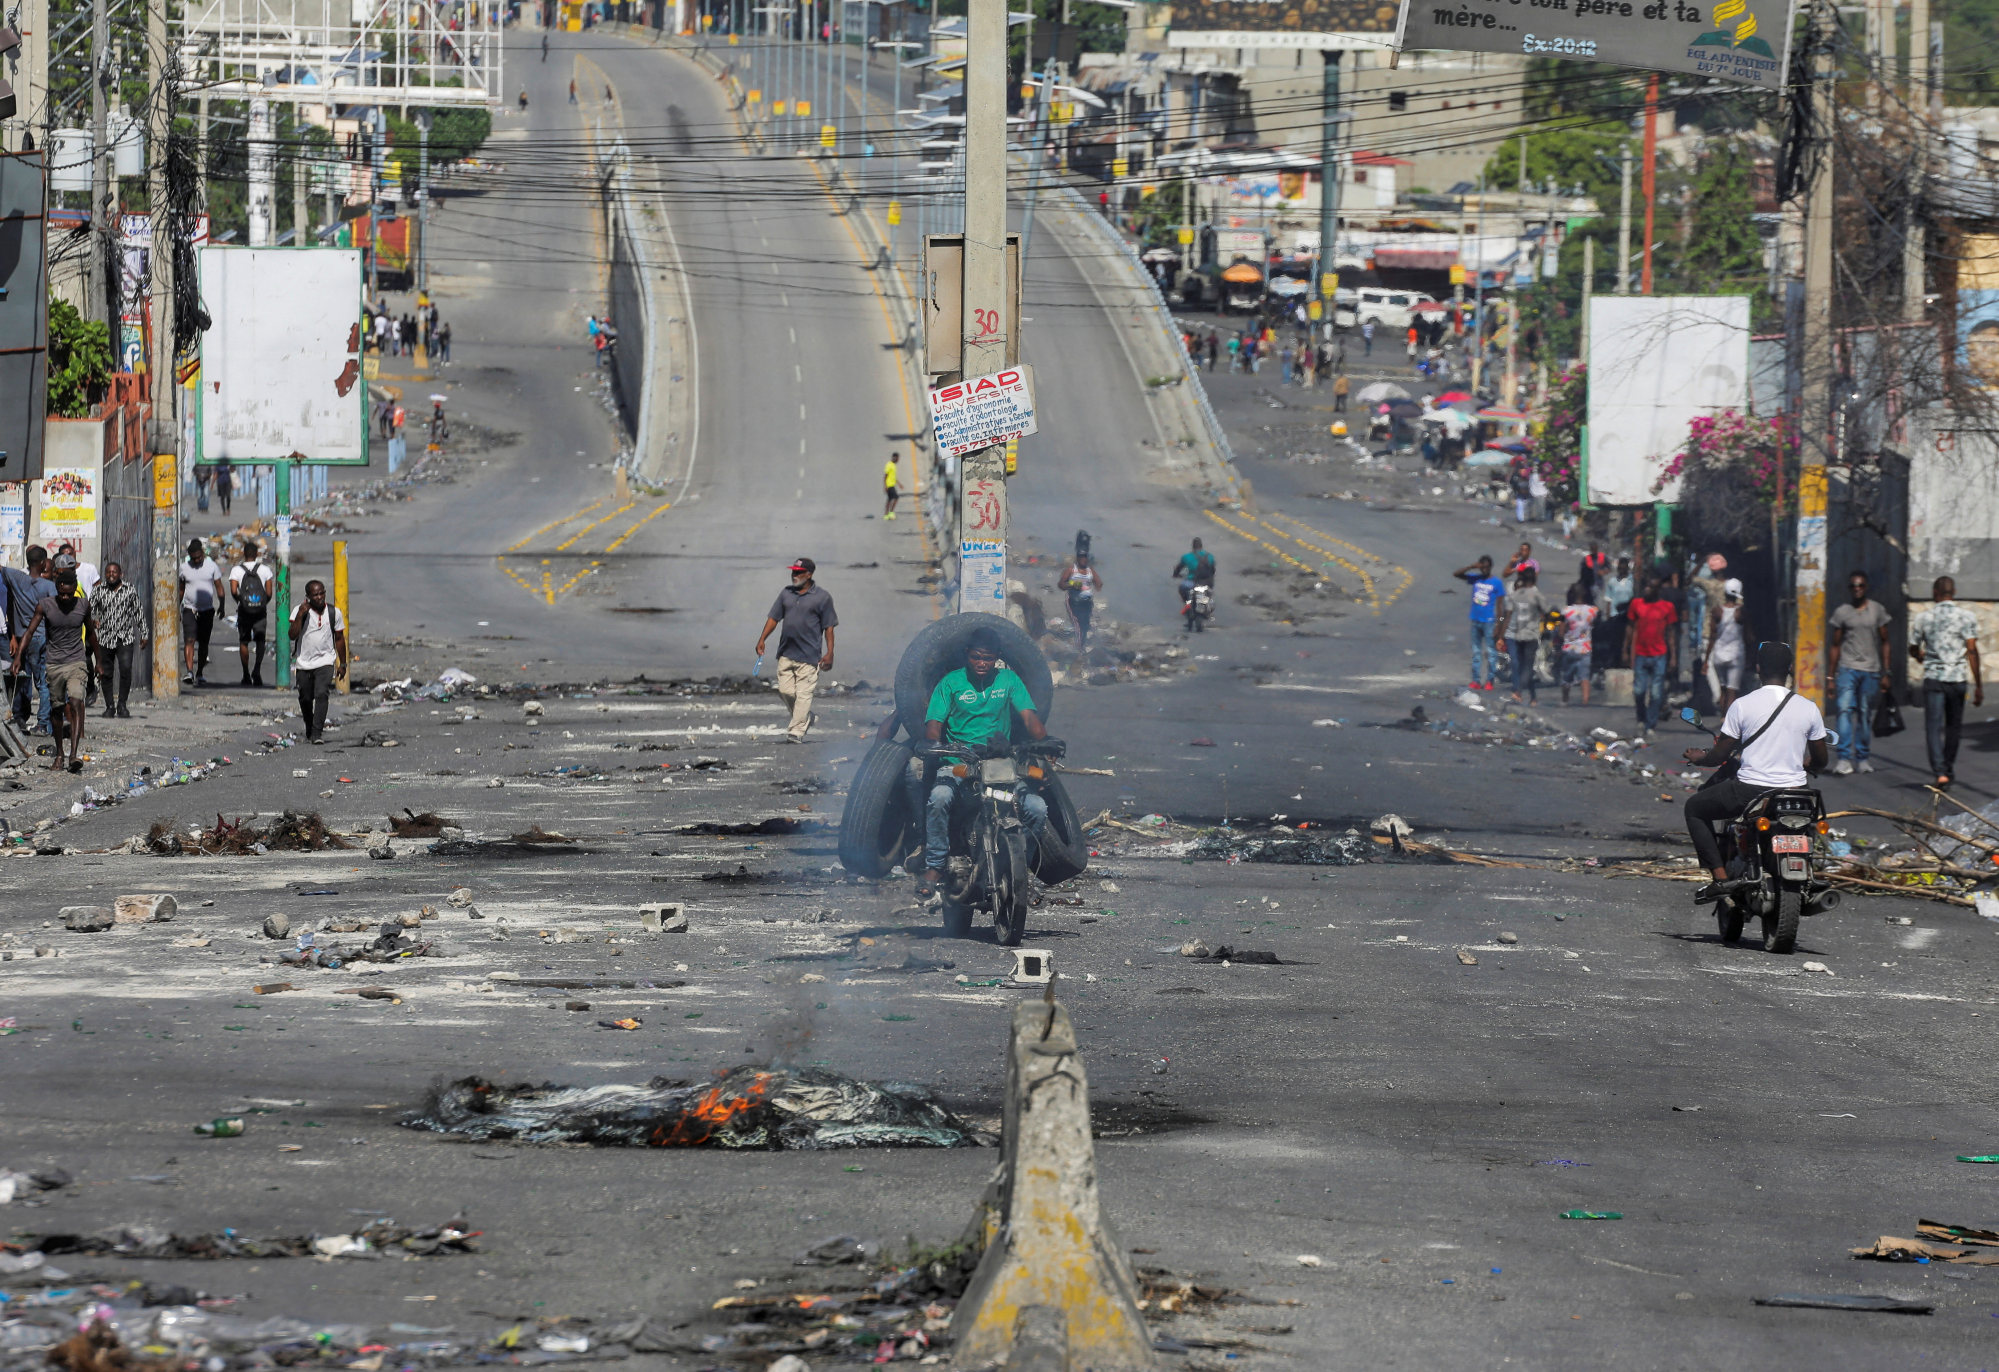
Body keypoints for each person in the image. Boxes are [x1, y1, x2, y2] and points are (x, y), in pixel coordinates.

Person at [1681, 640, 1831, 903]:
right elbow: (1820, 759)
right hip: (1795, 793)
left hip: (1750, 792)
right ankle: (1807, 871)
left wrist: (1700, 757)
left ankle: (1720, 879)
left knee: (1694, 808)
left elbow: (1721, 754)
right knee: (1805, 824)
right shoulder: (1808, 708)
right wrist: (1806, 765)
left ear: (1759, 669)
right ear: (1790, 670)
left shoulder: (1742, 705)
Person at [916, 627, 1054, 900]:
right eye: (977, 657)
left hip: (1000, 764)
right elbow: (934, 726)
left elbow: (1029, 718)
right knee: (940, 797)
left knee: (1036, 808)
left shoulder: (1009, 681)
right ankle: (935, 865)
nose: (982, 663)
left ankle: (1019, 869)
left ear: (997, 659)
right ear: (967, 655)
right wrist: (935, 744)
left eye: (988, 659)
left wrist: (1044, 741)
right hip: (959, 764)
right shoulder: (950, 683)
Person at [10, 568, 97, 772]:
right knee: (57, 710)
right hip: (54, 663)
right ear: (57, 589)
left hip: (76, 661)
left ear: (75, 589)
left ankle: (73, 755)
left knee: (75, 701)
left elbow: (91, 632)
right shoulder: (46, 605)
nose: (65, 597)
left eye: (69, 593)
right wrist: (18, 657)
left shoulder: (83, 605)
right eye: (62, 593)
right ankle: (59, 753)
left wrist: (99, 661)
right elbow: (30, 631)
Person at [1909, 575, 1983, 789]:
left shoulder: (1924, 618)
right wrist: (1978, 685)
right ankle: (1948, 768)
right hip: (1957, 678)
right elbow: (1971, 649)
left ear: (1935, 593)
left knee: (1933, 727)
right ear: (1954, 592)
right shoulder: (1966, 616)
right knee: (1953, 727)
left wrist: (1920, 656)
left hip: (1934, 678)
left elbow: (1913, 646)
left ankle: (1940, 772)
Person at [755, 557, 837, 743]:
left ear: (809, 574)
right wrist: (762, 639)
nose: (794, 575)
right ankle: (805, 717)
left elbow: (829, 627)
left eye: (798, 572)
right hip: (786, 653)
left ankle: (796, 731)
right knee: (786, 692)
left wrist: (830, 652)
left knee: (803, 695)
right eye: (793, 572)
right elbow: (773, 618)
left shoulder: (822, 597)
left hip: (809, 656)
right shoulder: (786, 594)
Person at [1827, 571, 1892, 776]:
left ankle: (1862, 758)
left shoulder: (1877, 610)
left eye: (1860, 585)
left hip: (1870, 670)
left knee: (1864, 714)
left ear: (1866, 587)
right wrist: (1830, 676)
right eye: (1853, 586)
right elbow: (1835, 645)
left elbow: (1885, 642)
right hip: (1847, 668)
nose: (1857, 589)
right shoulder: (1842, 612)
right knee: (1844, 710)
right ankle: (1844, 758)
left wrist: (1886, 672)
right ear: (1849, 588)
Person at [4, 546, 55, 734]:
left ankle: (19, 717)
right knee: (42, 683)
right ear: (43, 563)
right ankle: (43, 723)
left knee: (22, 679)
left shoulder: (16, 578)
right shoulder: (49, 587)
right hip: (40, 637)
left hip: (21, 637)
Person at [290, 579, 347, 744]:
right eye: (315, 594)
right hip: (304, 662)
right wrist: (300, 614)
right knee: (306, 697)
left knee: (322, 693)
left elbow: (339, 639)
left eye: (322, 593)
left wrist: (342, 664)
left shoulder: (334, 613)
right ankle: (309, 725)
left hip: (325, 661)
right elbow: (292, 635)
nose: (320, 597)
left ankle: (317, 733)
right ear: (308, 596)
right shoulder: (299, 611)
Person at [1624, 578, 1678, 737]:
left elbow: (1671, 633)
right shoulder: (1636, 604)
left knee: (1656, 693)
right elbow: (1630, 627)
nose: (1646, 589)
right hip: (1641, 653)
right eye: (1646, 586)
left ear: (1657, 590)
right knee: (1639, 690)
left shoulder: (1667, 607)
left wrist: (1673, 656)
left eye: (1650, 587)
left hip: (1659, 654)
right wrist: (1626, 650)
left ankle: (1650, 723)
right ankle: (1641, 717)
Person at [92, 561, 143, 719]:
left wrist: (144, 634)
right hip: (106, 638)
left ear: (120, 574)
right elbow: (90, 609)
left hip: (125, 637)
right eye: (108, 572)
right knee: (106, 673)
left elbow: (138, 612)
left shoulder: (130, 590)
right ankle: (109, 706)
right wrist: (94, 619)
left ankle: (122, 704)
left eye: (114, 572)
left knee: (126, 670)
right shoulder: (99, 590)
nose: (111, 575)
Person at [1452, 554, 1506, 691]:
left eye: (1487, 567)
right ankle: (1476, 680)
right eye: (1482, 567)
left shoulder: (1497, 583)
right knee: (1476, 652)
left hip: (1489, 622)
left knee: (1491, 652)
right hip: (1475, 620)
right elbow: (1456, 574)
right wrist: (1471, 566)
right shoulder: (1476, 579)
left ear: (1491, 567)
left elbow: (1500, 608)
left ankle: (1489, 680)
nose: (1484, 570)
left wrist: (1499, 625)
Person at [178, 538, 225, 686]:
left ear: (203, 554)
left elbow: (219, 588)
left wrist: (222, 606)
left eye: (199, 557)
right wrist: (176, 608)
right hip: (189, 609)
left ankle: (200, 673)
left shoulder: (212, 567)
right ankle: (190, 672)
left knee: (204, 643)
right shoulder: (183, 568)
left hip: (207, 611)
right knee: (189, 640)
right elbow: (180, 590)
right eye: (194, 558)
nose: (197, 560)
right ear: (189, 556)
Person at [1700, 578, 1751, 714]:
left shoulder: (1717, 611)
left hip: (1719, 655)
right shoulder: (1741, 612)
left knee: (1723, 689)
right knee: (1732, 691)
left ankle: (1723, 716)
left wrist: (1706, 661)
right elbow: (1747, 636)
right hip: (1736, 654)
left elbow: (1712, 637)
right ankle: (1729, 720)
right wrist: (1751, 656)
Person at [1503, 567, 1551, 704]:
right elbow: (1547, 612)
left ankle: (1533, 697)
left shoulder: (1515, 595)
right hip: (1531, 635)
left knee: (1523, 666)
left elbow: (1506, 615)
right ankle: (1518, 692)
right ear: (1535, 579)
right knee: (1528, 667)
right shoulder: (1537, 595)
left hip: (1518, 635)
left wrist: (1501, 632)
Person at [231, 541, 274, 687]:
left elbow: (233, 590)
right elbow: (269, 593)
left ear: (244, 553)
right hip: (260, 611)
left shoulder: (236, 570)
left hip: (244, 611)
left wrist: (241, 601)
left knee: (244, 641)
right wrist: (261, 604)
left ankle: (245, 674)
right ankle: (257, 670)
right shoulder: (265, 570)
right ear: (257, 554)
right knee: (260, 640)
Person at [1559, 582, 1597, 707]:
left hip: (1569, 648)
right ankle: (1585, 701)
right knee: (1584, 677)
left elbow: (1561, 631)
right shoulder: (1592, 611)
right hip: (1585, 649)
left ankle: (1565, 699)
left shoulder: (1567, 611)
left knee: (1567, 678)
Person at [1061, 550, 1103, 652]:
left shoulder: (1090, 571)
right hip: (1073, 602)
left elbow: (1098, 583)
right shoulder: (1071, 570)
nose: (1084, 559)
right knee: (1078, 625)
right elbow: (1062, 584)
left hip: (1086, 603)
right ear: (1078, 559)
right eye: (1081, 557)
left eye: (1085, 557)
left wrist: (1096, 585)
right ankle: (1079, 650)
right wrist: (1072, 584)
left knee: (1085, 625)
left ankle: (1081, 645)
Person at [1171, 538, 1216, 622]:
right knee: (1209, 593)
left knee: (1182, 589)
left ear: (1192, 547)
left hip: (1192, 582)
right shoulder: (1210, 556)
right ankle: (1207, 604)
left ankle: (1188, 604)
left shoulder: (1186, 557)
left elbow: (1178, 568)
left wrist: (1175, 575)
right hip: (1208, 582)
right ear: (1202, 546)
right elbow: (1213, 570)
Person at [882, 452, 901, 521]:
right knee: (896, 498)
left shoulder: (893, 465)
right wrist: (885, 486)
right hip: (889, 485)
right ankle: (891, 513)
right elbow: (885, 476)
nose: (898, 460)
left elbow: (893, 476)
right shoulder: (889, 465)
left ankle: (886, 515)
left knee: (889, 500)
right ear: (894, 457)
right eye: (898, 458)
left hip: (892, 485)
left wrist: (899, 484)